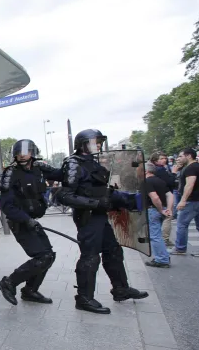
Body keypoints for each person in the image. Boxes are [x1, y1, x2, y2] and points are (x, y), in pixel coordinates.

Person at [57, 129, 148, 314]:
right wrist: (96, 203)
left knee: (113, 251)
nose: (98, 145)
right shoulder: (73, 163)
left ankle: (120, 289)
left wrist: (127, 200)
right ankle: (84, 298)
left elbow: (101, 190)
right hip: (88, 216)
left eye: (99, 142)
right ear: (83, 143)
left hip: (99, 214)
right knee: (90, 257)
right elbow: (65, 196)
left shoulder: (92, 162)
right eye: (94, 142)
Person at [0, 139, 62, 305]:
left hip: (33, 221)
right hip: (21, 223)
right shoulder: (11, 174)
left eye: (26, 151)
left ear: (33, 152)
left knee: (49, 256)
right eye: (18, 152)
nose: (22, 155)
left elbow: (62, 174)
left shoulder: (39, 169)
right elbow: (6, 206)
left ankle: (30, 291)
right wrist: (27, 220)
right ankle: (9, 282)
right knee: (43, 256)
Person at [171, 148, 199, 257]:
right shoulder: (198, 166)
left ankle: (180, 248)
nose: (178, 158)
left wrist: (183, 200)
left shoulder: (191, 168)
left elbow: (189, 185)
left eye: (180, 156)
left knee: (182, 224)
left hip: (193, 200)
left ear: (188, 156)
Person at [144, 162, 173, 268]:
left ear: (146, 171)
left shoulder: (147, 181)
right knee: (157, 235)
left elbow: (154, 197)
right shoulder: (160, 181)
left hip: (153, 210)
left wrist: (160, 210)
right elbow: (169, 195)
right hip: (161, 209)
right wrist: (168, 209)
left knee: (155, 236)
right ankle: (163, 256)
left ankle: (162, 259)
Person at [150, 153, 177, 247]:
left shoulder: (158, 169)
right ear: (155, 160)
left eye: (165, 158)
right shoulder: (160, 169)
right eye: (161, 158)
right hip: (164, 195)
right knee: (167, 217)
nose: (164, 160)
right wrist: (174, 173)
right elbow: (170, 182)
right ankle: (164, 239)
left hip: (161, 196)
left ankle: (162, 239)